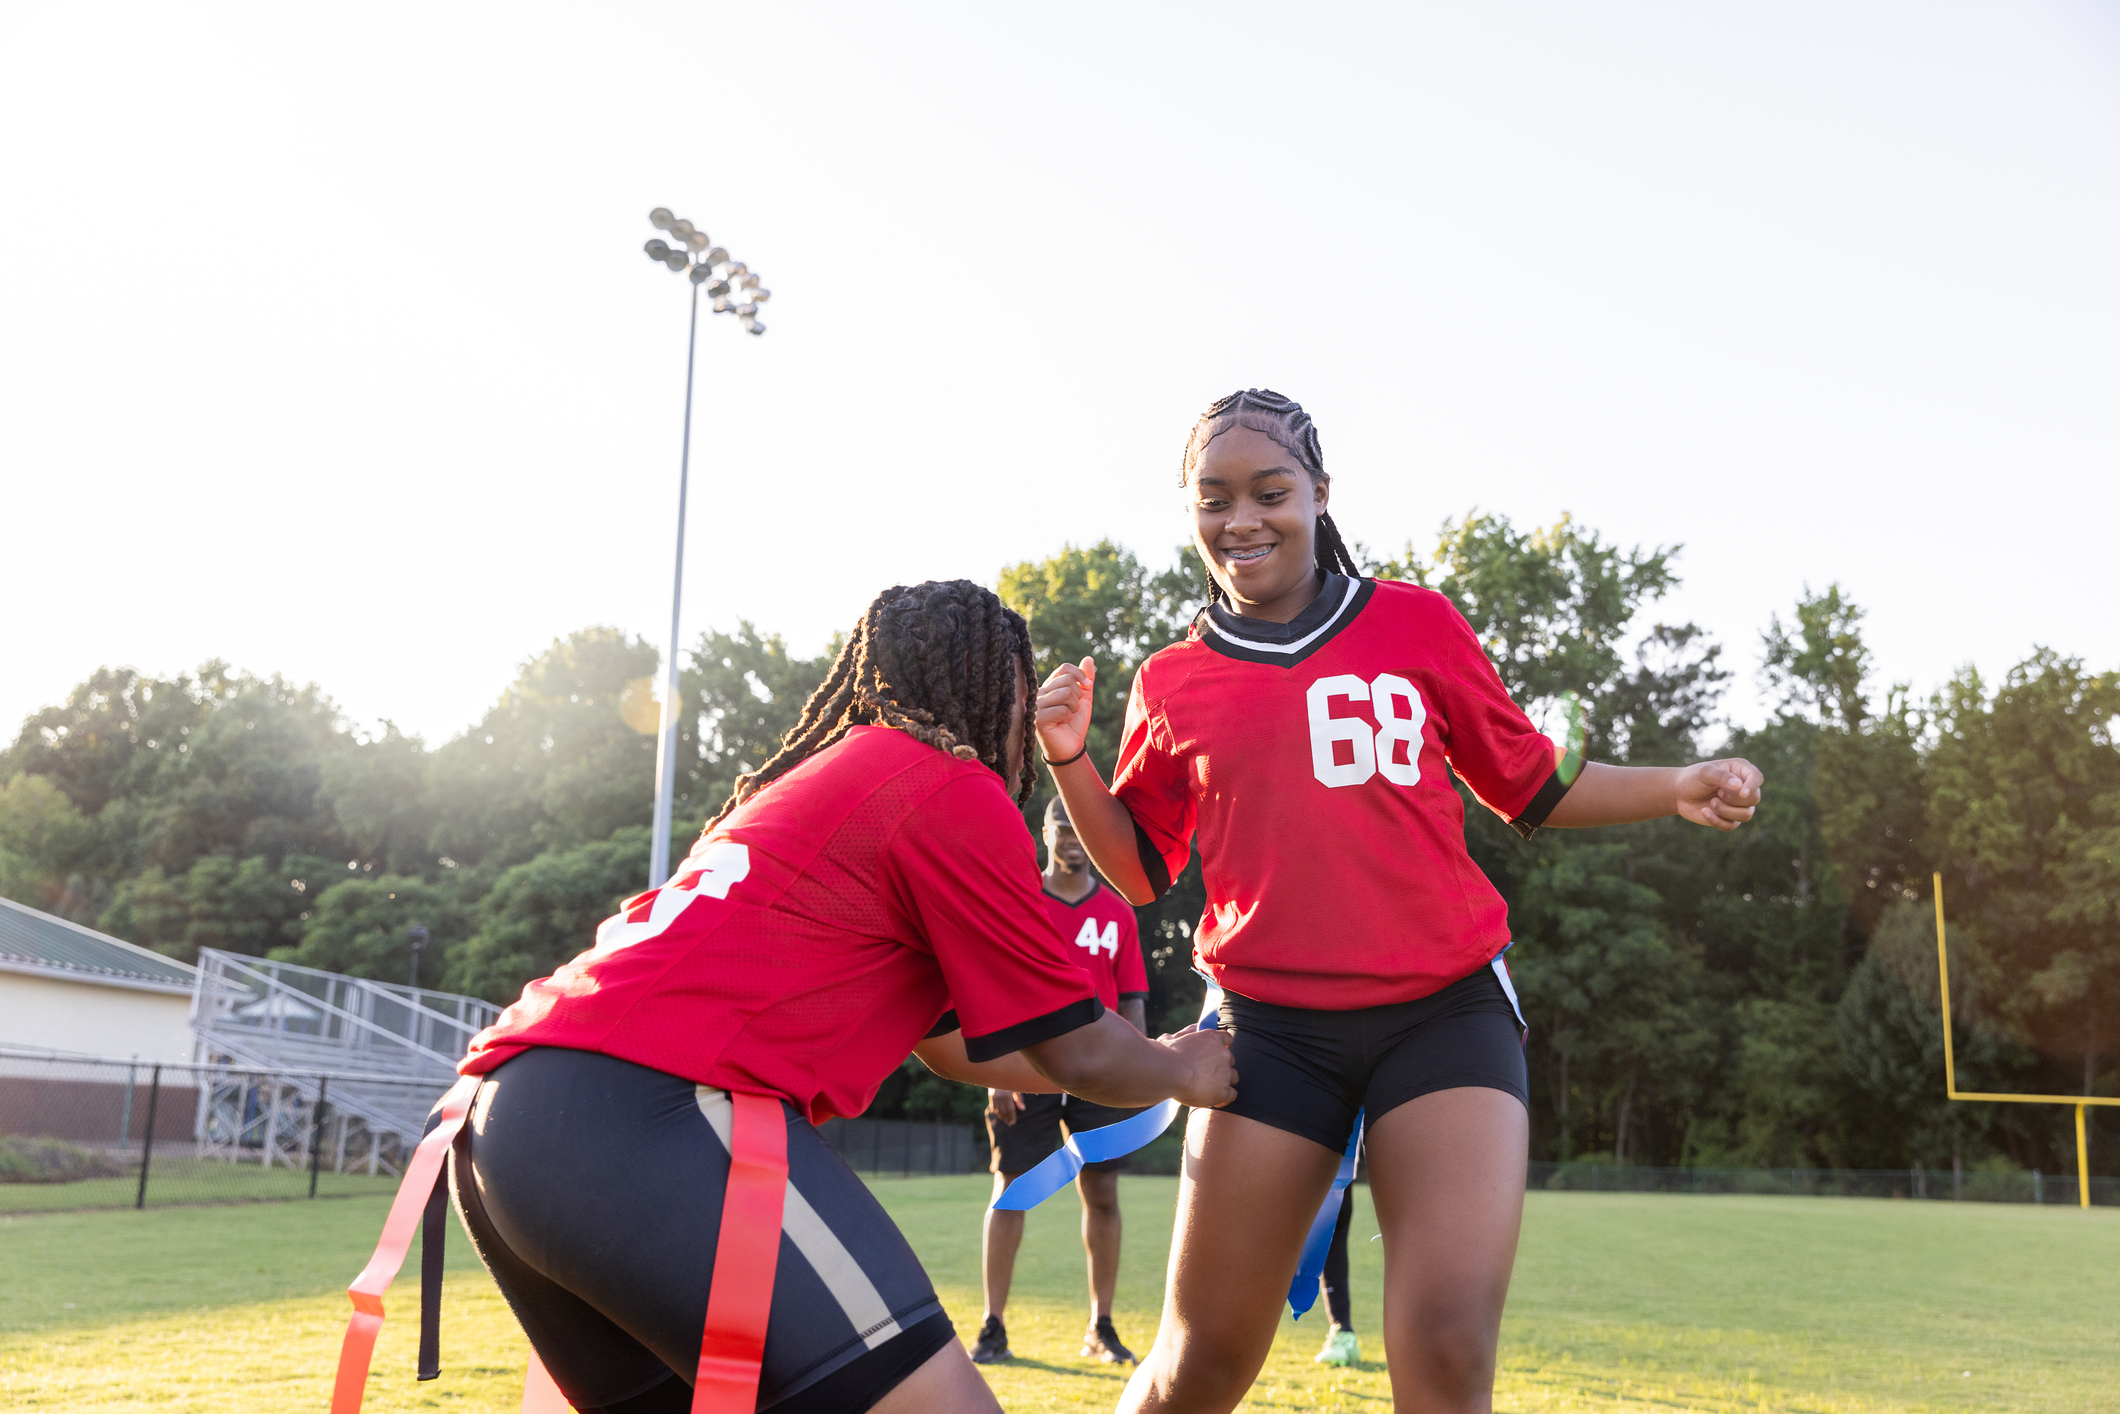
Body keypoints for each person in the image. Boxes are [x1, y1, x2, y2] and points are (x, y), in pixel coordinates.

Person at [1034, 390, 1764, 1414]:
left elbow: (1527, 783)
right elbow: (1144, 869)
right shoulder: (1171, 680)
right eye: (1212, 498)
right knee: (1196, 1365)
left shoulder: (1414, 622)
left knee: (1444, 1340)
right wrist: (1067, 761)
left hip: (1443, 1012)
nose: (1240, 518)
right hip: (1269, 1036)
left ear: (1318, 495)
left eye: (1268, 491)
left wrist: (1674, 782)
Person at [446, 580, 1237, 1414]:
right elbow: (1077, 1045)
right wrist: (1180, 1067)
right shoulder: (948, 788)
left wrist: (1139, 1065)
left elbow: (961, 1044)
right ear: (995, 687)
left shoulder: (824, 779)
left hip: (509, 1120)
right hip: (651, 1114)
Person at [972, 796, 1152, 1368]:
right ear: (1044, 833)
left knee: (1102, 1195)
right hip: (1026, 1072)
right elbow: (991, 990)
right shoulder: (1022, 901)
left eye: (1081, 830)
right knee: (1010, 1190)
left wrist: (1139, 1077)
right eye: (1062, 829)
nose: (1073, 839)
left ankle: (1101, 1325)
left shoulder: (1118, 913)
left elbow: (1133, 1006)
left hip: (1099, 1076)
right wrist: (995, 1073)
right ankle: (993, 1325)